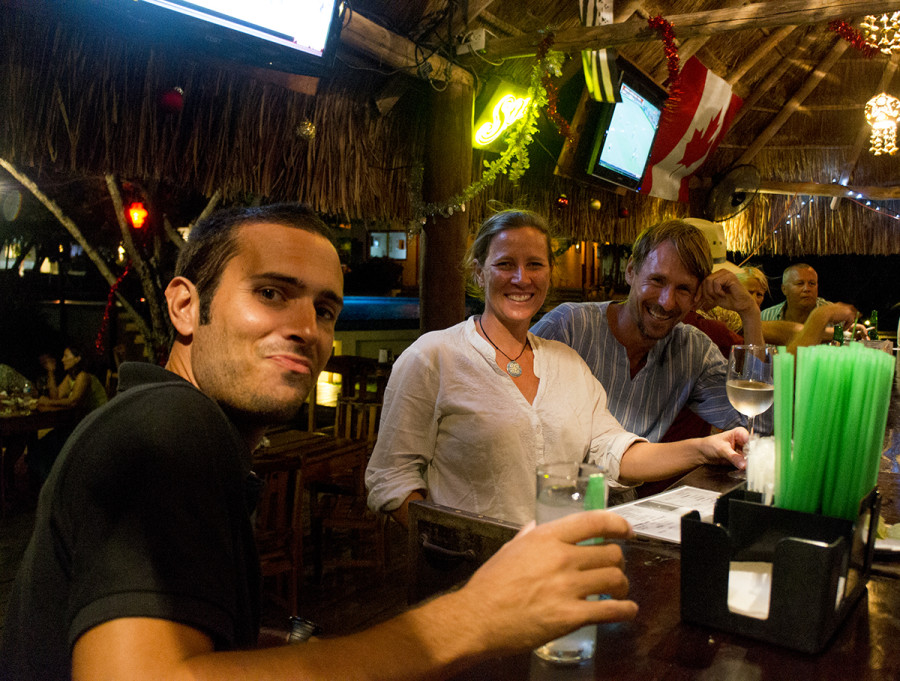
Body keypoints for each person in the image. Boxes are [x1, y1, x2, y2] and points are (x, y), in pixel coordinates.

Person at [0, 203, 639, 681]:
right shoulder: (168, 428)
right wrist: (470, 618)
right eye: (271, 293)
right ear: (185, 306)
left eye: (325, 309)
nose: (305, 327)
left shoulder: (179, 430)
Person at [365, 210, 748, 528]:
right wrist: (447, 549)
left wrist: (704, 448)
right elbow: (391, 480)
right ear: (479, 272)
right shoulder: (432, 356)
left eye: (535, 265)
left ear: (549, 273)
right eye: (505, 265)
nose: (521, 278)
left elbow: (616, 454)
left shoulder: (568, 364)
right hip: (469, 577)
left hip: (557, 567)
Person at [530, 218, 765, 444]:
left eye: (683, 288)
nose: (667, 302)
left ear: (697, 296)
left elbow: (758, 423)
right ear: (631, 270)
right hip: (557, 483)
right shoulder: (569, 326)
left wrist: (750, 312)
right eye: (657, 280)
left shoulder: (693, 350)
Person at [760, 263, 831, 323]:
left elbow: (840, 337)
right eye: (800, 283)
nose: (807, 289)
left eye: (812, 284)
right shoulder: (766, 317)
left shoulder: (833, 315)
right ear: (784, 289)